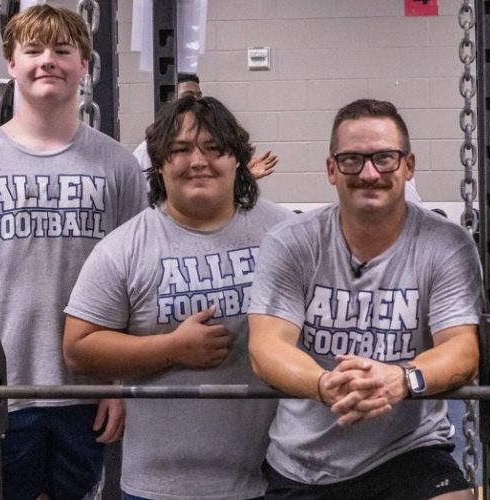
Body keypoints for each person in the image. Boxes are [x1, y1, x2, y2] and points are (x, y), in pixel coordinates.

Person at [0, 6, 146, 499]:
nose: (49, 61)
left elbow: (136, 285)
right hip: (0, 392)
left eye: (64, 51)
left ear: (84, 66)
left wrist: (116, 381)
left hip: (83, 388)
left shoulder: (118, 164)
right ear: (11, 64)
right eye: (34, 51)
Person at [248, 99, 481, 499]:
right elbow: (266, 346)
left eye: (385, 159)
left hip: (409, 452)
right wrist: (324, 384)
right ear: (331, 169)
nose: (370, 173)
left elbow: (462, 347)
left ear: (408, 166)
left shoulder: (445, 245)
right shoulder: (292, 242)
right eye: (353, 160)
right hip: (305, 465)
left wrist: (403, 378)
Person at [62, 95, 292, 499]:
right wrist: (172, 348)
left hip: (273, 479)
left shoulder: (286, 235)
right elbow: (79, 348)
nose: (198, 161)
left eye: (214, 149)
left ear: (237, 159)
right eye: (181, 150)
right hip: (161, 485)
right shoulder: (125, 247)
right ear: (160, 162)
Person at [132, 73, 279, 180]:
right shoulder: (148, 150)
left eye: (199, 96)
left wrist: (240, 176)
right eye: (181, 149)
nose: (196, 102)